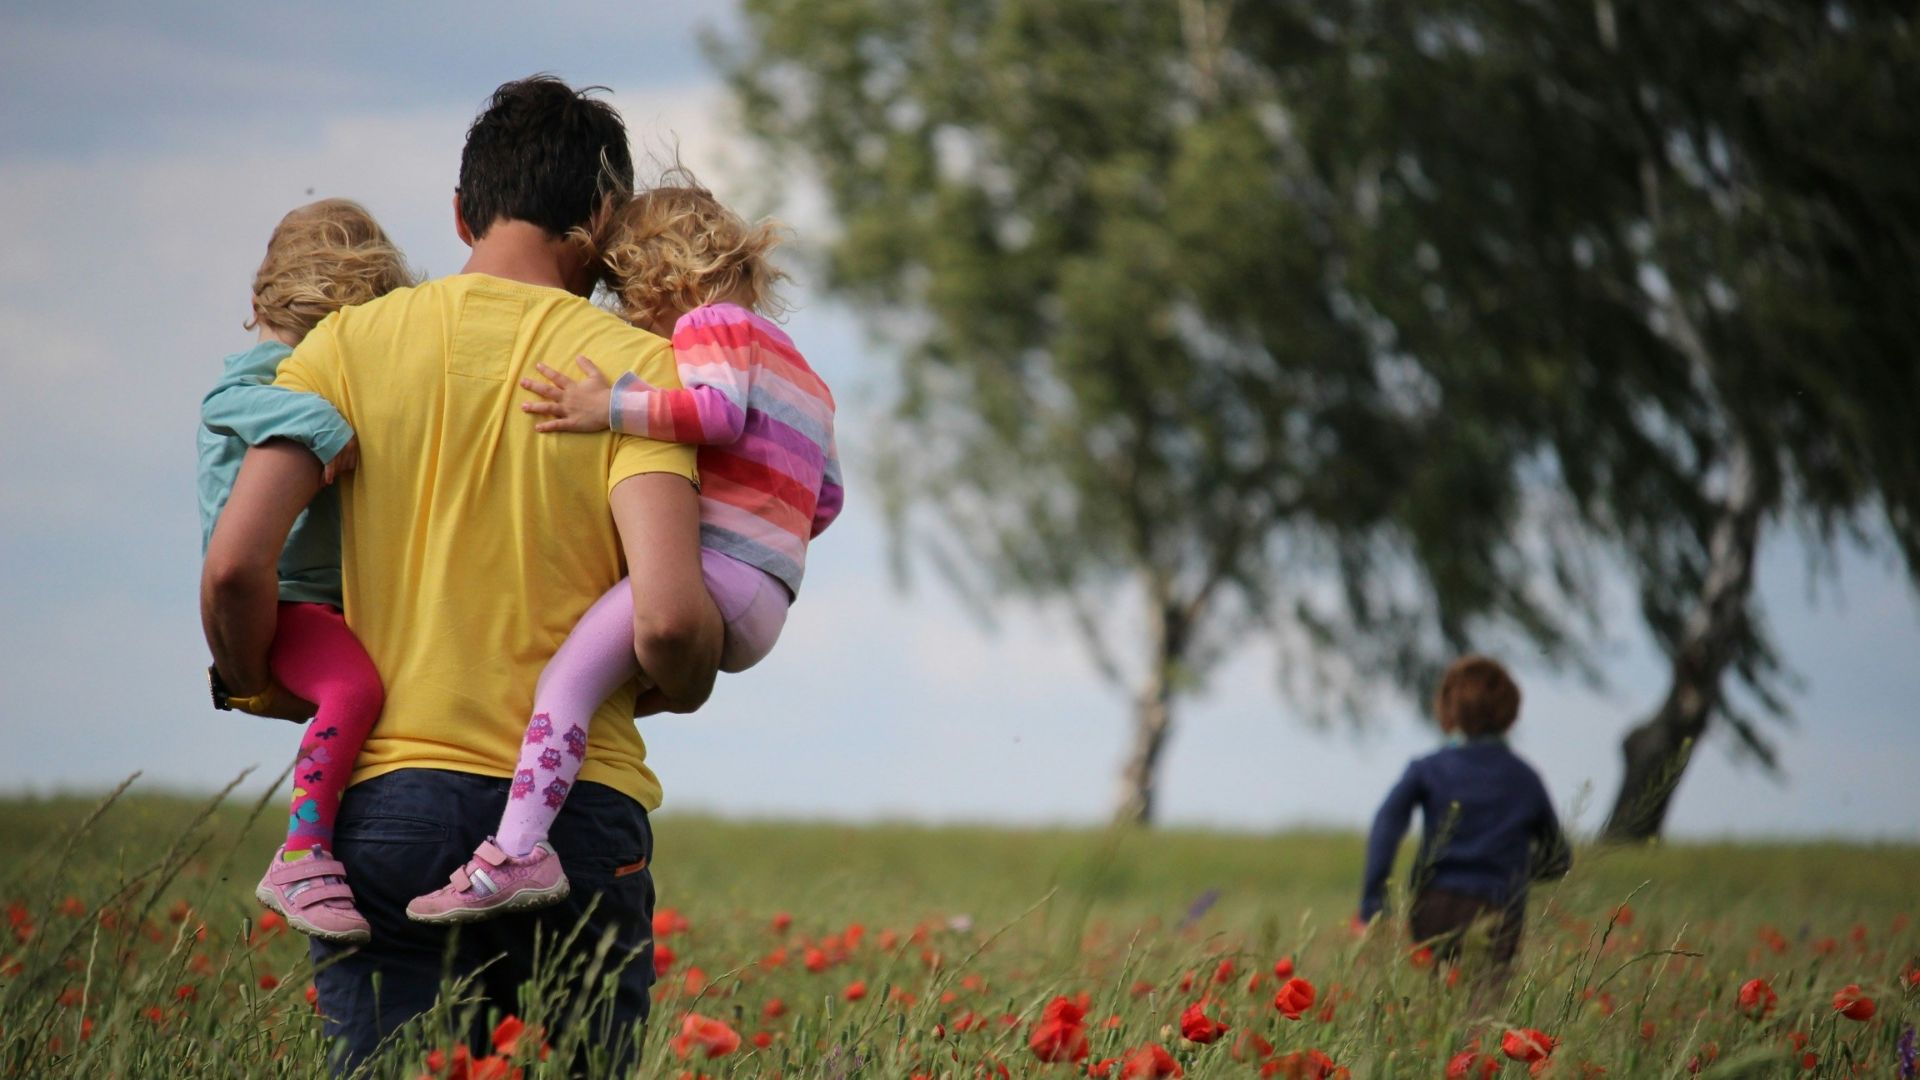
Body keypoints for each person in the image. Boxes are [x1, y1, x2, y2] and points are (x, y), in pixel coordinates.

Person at [201, 75, 722, 1072]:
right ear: (603, 220)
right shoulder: (635, 372)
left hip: (387, 803)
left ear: (459, 212)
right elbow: (666, 621)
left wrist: (257, 677)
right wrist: (685, 682)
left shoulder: (342, 348)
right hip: (575, 815)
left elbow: (234, 566)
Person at [407, 178, 843, 923]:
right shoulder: (806, 373)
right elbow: (826, 499)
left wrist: (605, 405)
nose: (631, 316)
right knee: (604, 686)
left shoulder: (711, 327)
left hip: (715, 575)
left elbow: (714, 413)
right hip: (769, 596)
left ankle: (517, 851)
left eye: (627, 293)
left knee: (565, 684)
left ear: (660, 277)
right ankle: (540, 816)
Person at [198, 198, 413, 944]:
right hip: (287, 600)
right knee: (354, 689)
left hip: (323, 601)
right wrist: (322, 423)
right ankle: (303, 853)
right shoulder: (267, 375)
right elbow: (226, 401)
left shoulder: (302, 366)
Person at [1357, 655, 1571, 971]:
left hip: (1434, 904)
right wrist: (1513, 871)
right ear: (1509, 712)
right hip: (1499, 907)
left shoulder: (1428, 769)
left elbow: (1386, 825)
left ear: (1448, 708)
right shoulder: (1525, 779)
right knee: (1484, 1009)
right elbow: (1558, 858)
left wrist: (1373, 902)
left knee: (1440, 999)